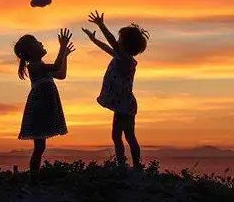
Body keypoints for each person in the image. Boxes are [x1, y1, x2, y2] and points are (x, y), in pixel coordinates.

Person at [82, 11, 149, 169]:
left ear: (126, 45)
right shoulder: (123, 57)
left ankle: (125, 166)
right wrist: (94, 40)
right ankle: (129, 165)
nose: (117, 42)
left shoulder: (125, 59)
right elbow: (108, 47)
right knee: (124, 136)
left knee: (122, 136)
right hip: (124, 104)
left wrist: (101, 25)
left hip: (124, 105)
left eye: (120, 40)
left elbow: (111, 41)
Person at [15, 28, 74, 184]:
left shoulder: (40, 65)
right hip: (39, 109)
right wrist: (62, 47)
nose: (41, 43)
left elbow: (61, 74)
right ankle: (33, 180)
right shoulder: (34, 66)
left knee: (40, 147)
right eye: (37, 43)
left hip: (44, 108)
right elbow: (56, 67)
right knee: (39, 147)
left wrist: (65, 55)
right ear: (31, 51)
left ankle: (34, 179)